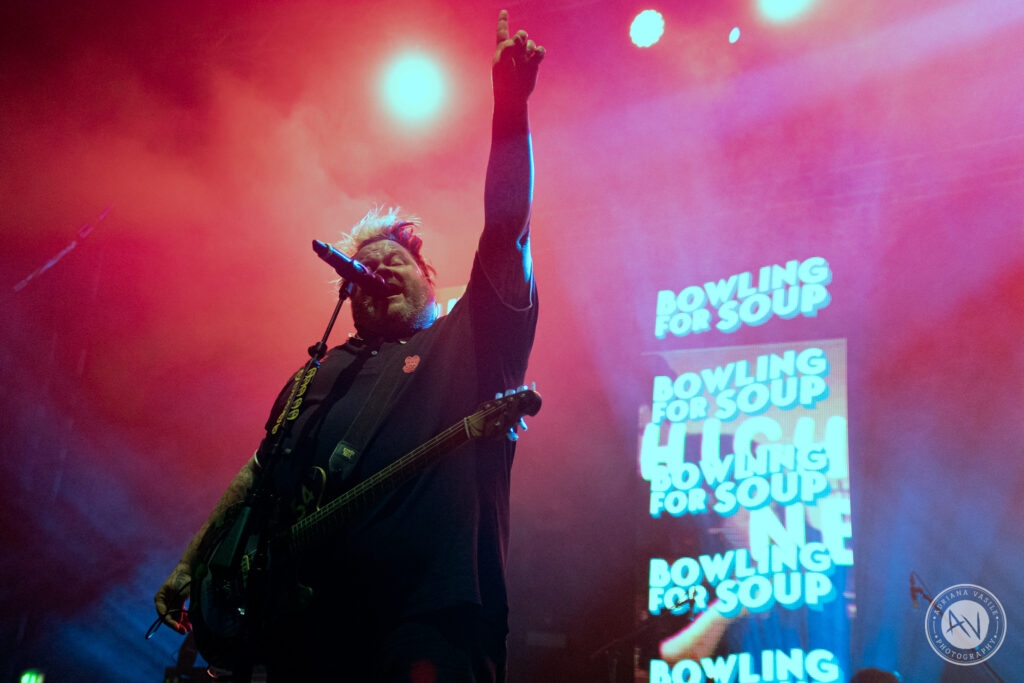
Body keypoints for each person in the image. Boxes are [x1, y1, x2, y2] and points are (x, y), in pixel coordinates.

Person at [154, 10, 544, 681]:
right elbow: (258, 471)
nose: (376, 271)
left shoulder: (471, 338)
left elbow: (506, 228)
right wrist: (194, 559)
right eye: (363, 266)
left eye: (393, 258)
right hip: (307, 634)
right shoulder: (316, 374)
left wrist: (509, 110)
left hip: (426, 624)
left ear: (426, 275)